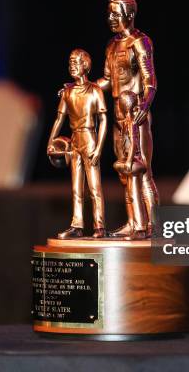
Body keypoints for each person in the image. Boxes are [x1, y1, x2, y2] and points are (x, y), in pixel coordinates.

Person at [97, 0, 159, 237]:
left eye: (116, 13)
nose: (111, 18)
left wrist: (143, 108)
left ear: (130, 15)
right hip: (117, 115)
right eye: (109, 13)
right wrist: (85, 87)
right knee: (125, 173)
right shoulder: (112, 46)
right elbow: (107, 80)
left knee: (142, 170)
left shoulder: (141, 42)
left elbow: (150, 81)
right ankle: (134, 222)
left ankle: (153, 225)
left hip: (136, 114)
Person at [47, 49, 108, 239]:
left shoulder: (95, 91)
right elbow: (59, 118)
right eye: (70, 62)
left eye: (76, 62)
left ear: (85, 66)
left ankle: (99, 226)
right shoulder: (67, 92)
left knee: (94, 187)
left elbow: (104, 120)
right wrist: (50, 141)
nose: (72, 65)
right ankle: (77, 225)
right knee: (76, 188)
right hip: (74, 141)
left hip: (90, 140)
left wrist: (98, 148)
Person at [113, 91, 148, 239]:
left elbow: (134, 143)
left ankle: (140, 228)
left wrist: (128, 161)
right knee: (129, 195)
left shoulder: (132, 123)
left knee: (134, 195)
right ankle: (134, 224)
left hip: (134, 161)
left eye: (121, 101)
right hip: (129, 160)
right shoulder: (126, 122)